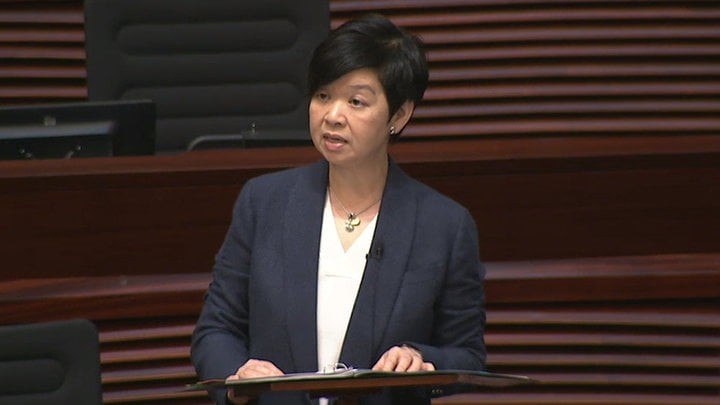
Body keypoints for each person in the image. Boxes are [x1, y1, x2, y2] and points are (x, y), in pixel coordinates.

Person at [191, 13, 486, 405]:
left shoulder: (444, 225)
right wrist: (238, 379)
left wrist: (421, 360)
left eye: (356, 101)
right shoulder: (263, 202)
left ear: (399, 115)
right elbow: (215, 330)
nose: (332, 116)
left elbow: (468, 355)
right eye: (323, 96)